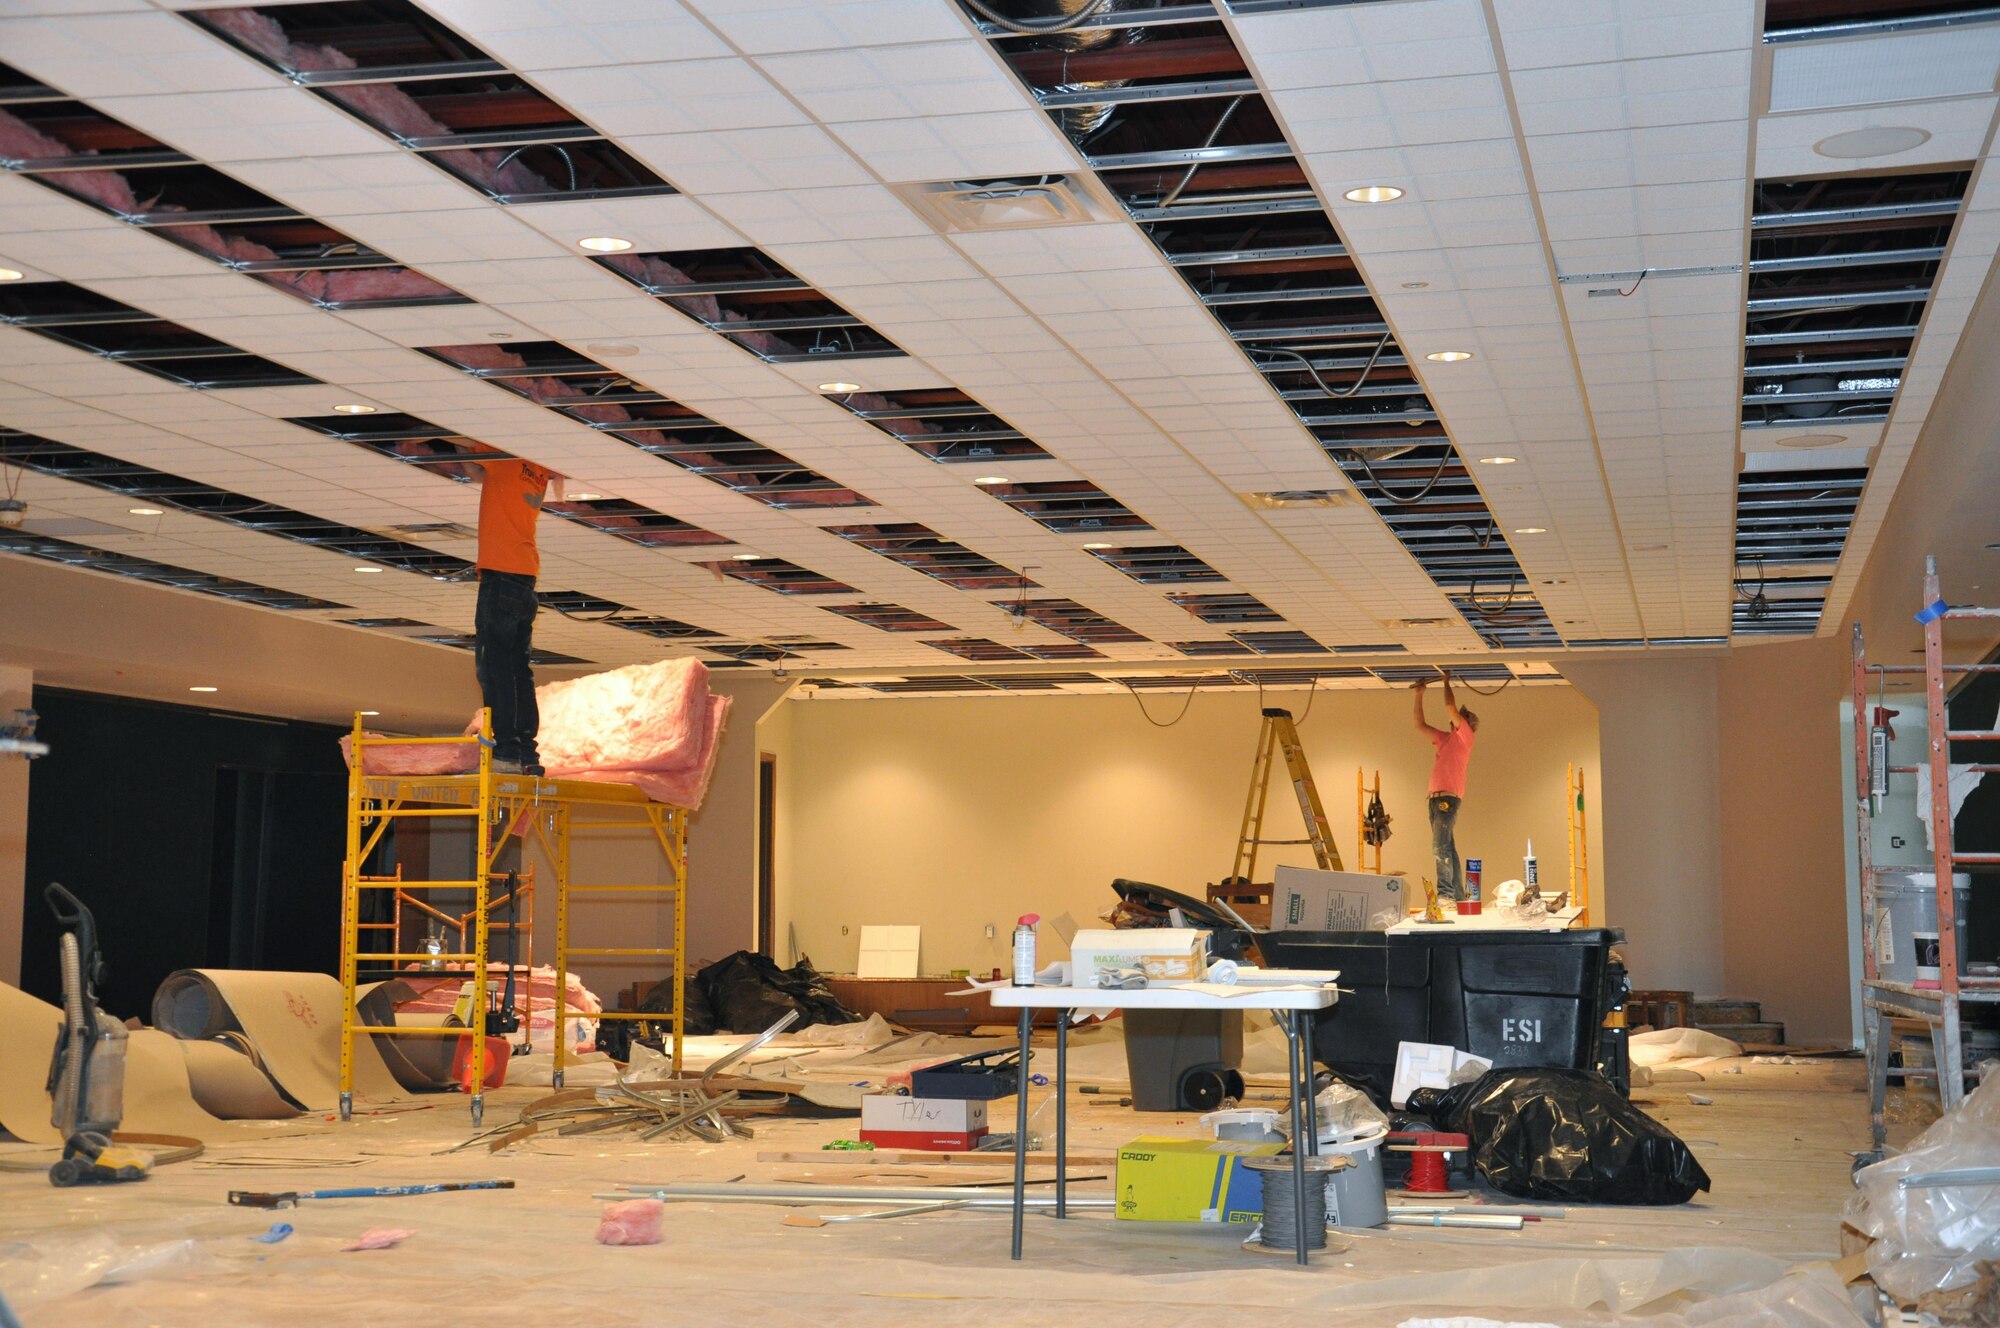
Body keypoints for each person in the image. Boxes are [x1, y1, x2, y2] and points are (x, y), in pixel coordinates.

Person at [463, 444, 555, 775]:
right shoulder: (538, 471)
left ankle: (506, 750)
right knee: (515, 668)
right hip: (523, 577)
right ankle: (524, 754)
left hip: (501, 576)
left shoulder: (505, 458)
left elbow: (465, 450)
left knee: (494, 667)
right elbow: (476, 470)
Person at [1413, 671, 1478, 900]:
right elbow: (1419, 725)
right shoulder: (1446, 739)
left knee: (1439, 847)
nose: (1454, 719)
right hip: (1435, 799)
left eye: (1460, 719)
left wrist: (1446, 681)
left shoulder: (1465, 737)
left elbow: (1449, 705)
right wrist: (1419, 694)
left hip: (1447, 800)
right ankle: (1458, 895)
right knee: (1447, 848)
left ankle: (1446, 895)